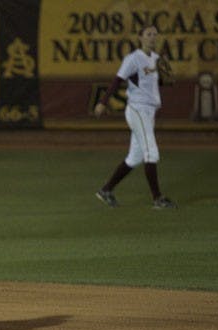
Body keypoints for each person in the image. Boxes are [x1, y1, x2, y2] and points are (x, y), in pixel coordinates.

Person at [94, 25, 177, 209]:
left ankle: (106, 190)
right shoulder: (133, 59)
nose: (153, 37)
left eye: (155, 34)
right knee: (151, 152)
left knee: (135, 157)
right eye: (148, 34)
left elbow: (159, 82)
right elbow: (117, 80)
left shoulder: (156, 59)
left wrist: (167, 79)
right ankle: (157, 199)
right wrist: (103, 102)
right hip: (137, 109)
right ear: (140, 37)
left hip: (150, 111)